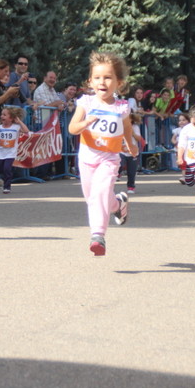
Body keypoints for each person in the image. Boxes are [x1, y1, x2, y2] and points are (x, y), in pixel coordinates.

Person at [68, 51, 136, 256]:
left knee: (100, 193)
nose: (102, 82)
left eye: (107, 77)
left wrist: (131, 145)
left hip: (109, 159)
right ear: (90, 81)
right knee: (94, 197)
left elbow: (127, 128)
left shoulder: (122, 107)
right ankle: (118, 204)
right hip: (87, 159)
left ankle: (98, 235)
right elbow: (72, 128)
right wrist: (85, 122)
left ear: (119, 83)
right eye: (97, 77)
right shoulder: (86, 103)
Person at [0, 106, 29, 194]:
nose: (2, 116)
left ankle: (7, 186)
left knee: (7, 169)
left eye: (4, 115)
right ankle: (7, 173)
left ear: (11, 118)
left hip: (10, 153)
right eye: (1, 114)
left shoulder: (16, 127)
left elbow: (26, 131)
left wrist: (19, 122)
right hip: (0, 153)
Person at [120, 112, 144, 194]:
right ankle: (118, 173)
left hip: (133, 152)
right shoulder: (119, 127)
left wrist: (132, 132)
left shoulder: (135, 127)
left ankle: (131, 186)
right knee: (120, 163)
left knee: (131, 171)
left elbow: (138, 139)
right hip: (122, 150)